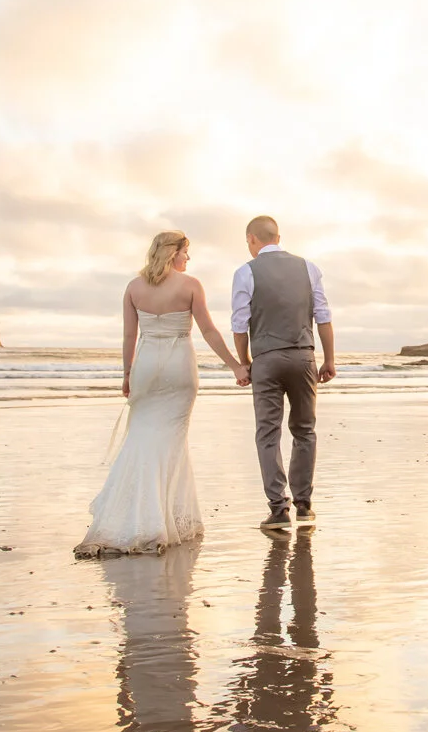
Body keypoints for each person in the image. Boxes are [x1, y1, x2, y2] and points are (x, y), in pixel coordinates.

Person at [75, 231, 248, 558]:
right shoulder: (191, 285)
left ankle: (132, 514)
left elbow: (129, 335)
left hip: (147, 366)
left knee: (141, 437)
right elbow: (209, 331)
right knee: (171, 442)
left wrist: (127, 374)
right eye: (186, 252)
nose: (188, 259)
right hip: (179, 367)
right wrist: (236, 366)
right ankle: (161, 519)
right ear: (173, 254)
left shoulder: (133, 288)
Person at [230, 216, 334, 532]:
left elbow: (239, 323)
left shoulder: (245, 272)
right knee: (305, 430)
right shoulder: (309, 268)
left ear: (252, 239)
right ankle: (304, 505)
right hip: (303, 357)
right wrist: (329, 360)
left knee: (268, 432)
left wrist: (245, 362)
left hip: (267, 360)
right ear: (279, 236)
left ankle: (278, 509)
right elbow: (323, 317)